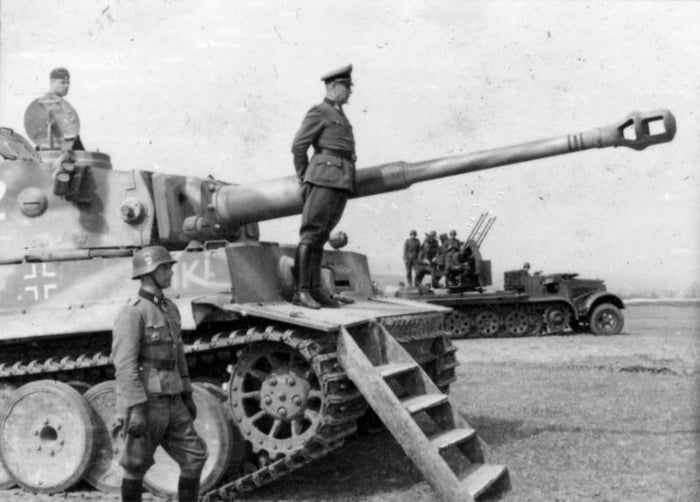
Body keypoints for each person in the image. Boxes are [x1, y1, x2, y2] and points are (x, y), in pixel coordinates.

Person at [112, 246, 208, 502]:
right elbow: (124, 365)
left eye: (169, 267)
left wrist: (187, 394)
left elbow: (178, 356)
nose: (170, 272)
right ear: (148, 274)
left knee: (195, 456)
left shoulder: (170, 309)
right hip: (147, 401)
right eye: (164, 268)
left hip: (173, 399)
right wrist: (137, 407)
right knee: (135, 465)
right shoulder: (133, 312)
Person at [290, 64, 357, 308]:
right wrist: (305, 176)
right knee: (310, 235)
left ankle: (316, 290)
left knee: (321, 236)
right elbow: (299, 146)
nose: (349, 92)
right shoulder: (320, 112)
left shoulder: (340, 115)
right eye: (346, 87)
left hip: (340, 180)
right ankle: (301, 291)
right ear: (332, 86)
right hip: (324, 178)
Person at [24, 67, 84, 150]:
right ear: (52, 82)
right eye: (62, 83)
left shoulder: (62, 105)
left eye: (68, 83)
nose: (66, 86)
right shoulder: (45, 104)